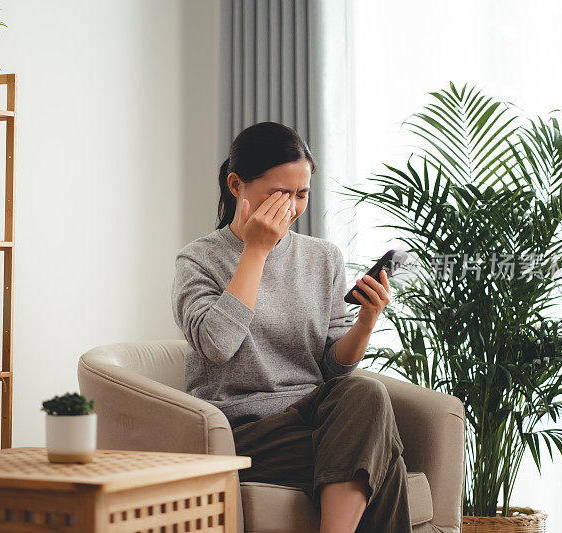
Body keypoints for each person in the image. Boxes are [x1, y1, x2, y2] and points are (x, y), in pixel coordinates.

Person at [171, 121, 411, 533]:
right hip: (241, 432)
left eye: (301, 195)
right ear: (236, 185)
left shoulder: (323, 257)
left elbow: (335, 368)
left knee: (366, 391)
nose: (292, 207)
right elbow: (217, 345)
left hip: (314, 418)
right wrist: (256, 250)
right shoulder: (198, 260)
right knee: (384, 456)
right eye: (279, 194)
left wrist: (367, 321)